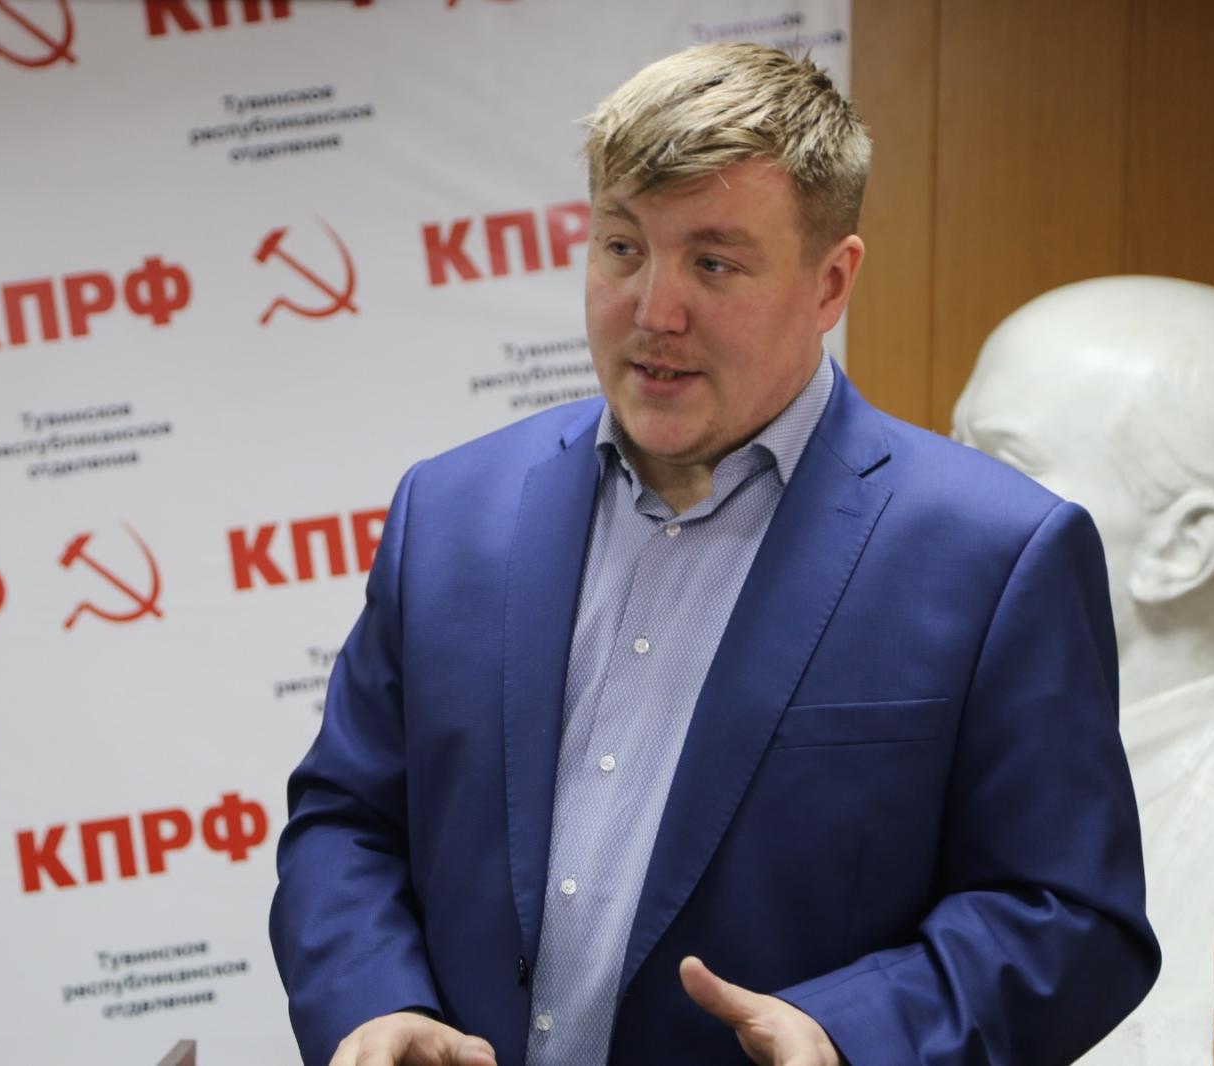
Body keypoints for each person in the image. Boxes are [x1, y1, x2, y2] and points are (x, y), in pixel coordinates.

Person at [270, 43, 1159, 1066]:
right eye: (622, 248)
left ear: (831, 283)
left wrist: (849, 1032)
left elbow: (1068, 915)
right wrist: (374, 1002)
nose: (654, 312)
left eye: (713, 263)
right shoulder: (453, 510)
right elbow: (347, 820)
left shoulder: (998, 555)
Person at [952, 275, 1214, 1064]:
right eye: (946, 447)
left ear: (1180, 548)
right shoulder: (938, 744)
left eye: (1000, 463)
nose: (932, 495)